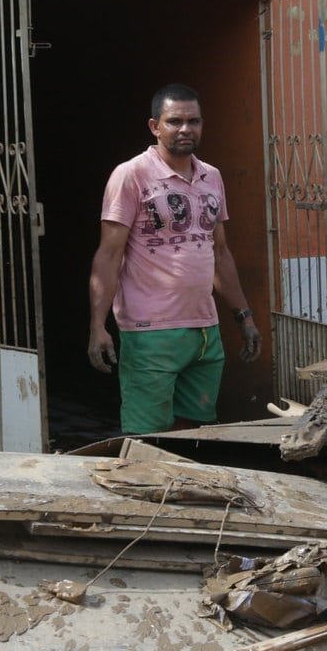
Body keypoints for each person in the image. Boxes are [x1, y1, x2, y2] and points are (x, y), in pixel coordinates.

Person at [89, 84, 261, 434]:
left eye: (193, 121)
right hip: (150, 332)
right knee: (147, 437)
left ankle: (183, 490)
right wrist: (97, 326)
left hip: (204, 332)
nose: (186, 129)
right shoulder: (131, 175)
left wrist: (244, 315)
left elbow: (221, 253)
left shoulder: (211, 177)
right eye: (175, 121)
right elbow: (109, 254)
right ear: (155, 126)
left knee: (197, 432)